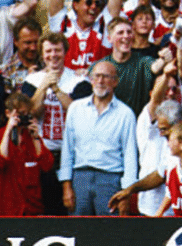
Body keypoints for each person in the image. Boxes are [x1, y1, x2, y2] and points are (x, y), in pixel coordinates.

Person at [58, 60, 139, 216]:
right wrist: (66, 185)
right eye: (97, 76)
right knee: (79, 233)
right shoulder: (75, 109)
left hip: (111, 180)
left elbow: (130, 157)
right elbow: (67, 150)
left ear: (115, 82)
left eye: (106, 77)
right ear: (91, 80)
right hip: (79, 178)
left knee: (109, 234)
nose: (100, 81)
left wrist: (126, 193)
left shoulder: (125, 114)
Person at [109, 121, 182, 217]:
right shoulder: (171, 165)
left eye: (171, 140)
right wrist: (159, 213)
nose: (167, 144)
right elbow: (170, 194)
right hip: (179, 224)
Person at [0, 92, 55, 216]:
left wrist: (36, 138)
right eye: (19, 114)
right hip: (7, 205)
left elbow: (47, 165)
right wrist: (9, 130)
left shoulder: (31, 137)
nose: (22, 118)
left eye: (26, 114)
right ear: (8, 113)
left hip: (31, 206)